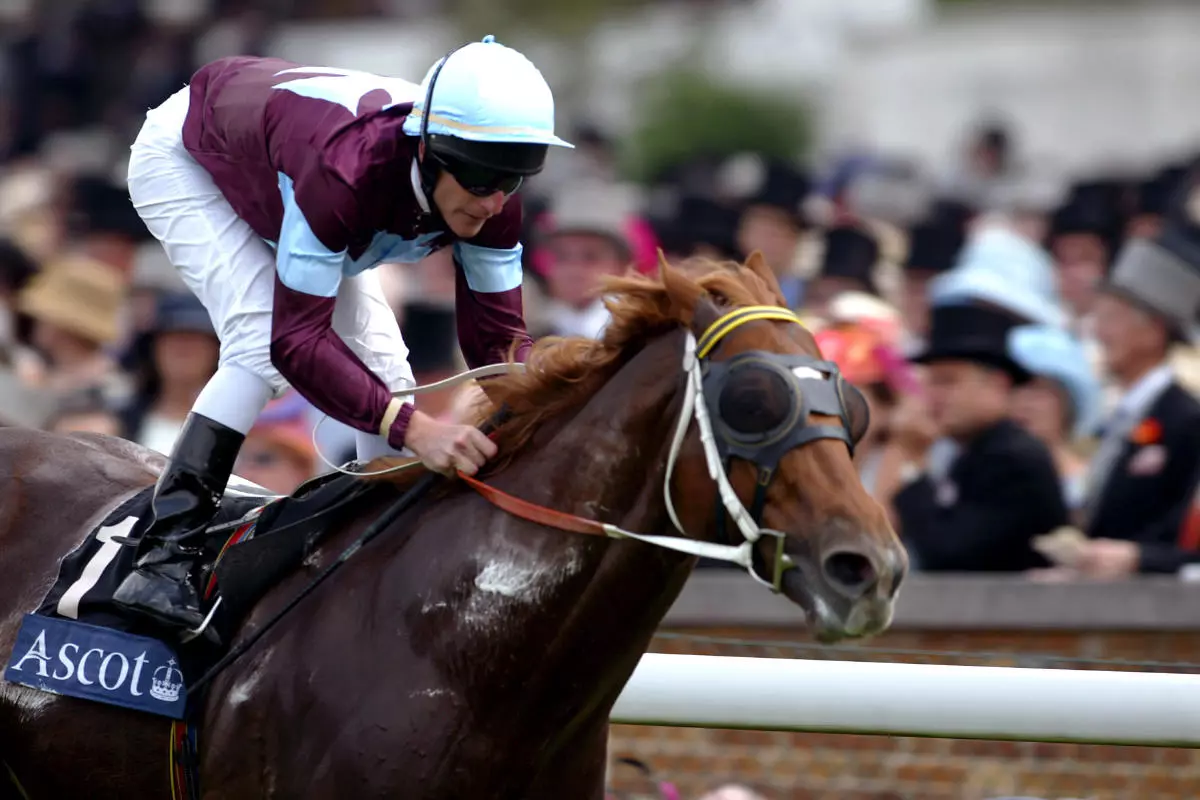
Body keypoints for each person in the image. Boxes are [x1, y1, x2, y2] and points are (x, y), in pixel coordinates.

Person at [114, 35, 573, 631]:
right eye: (484, 178)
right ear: (433, 151)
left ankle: (372, 557)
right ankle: (162, 554)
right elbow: (295, 342)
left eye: (514, 179)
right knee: (259, 342)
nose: (493, 201)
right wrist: (417, 431)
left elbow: (499, 349)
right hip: (192, 157)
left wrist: (561, 405)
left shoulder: (495, 201)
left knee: (388, 378)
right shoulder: (349, 170)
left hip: (285, 172)